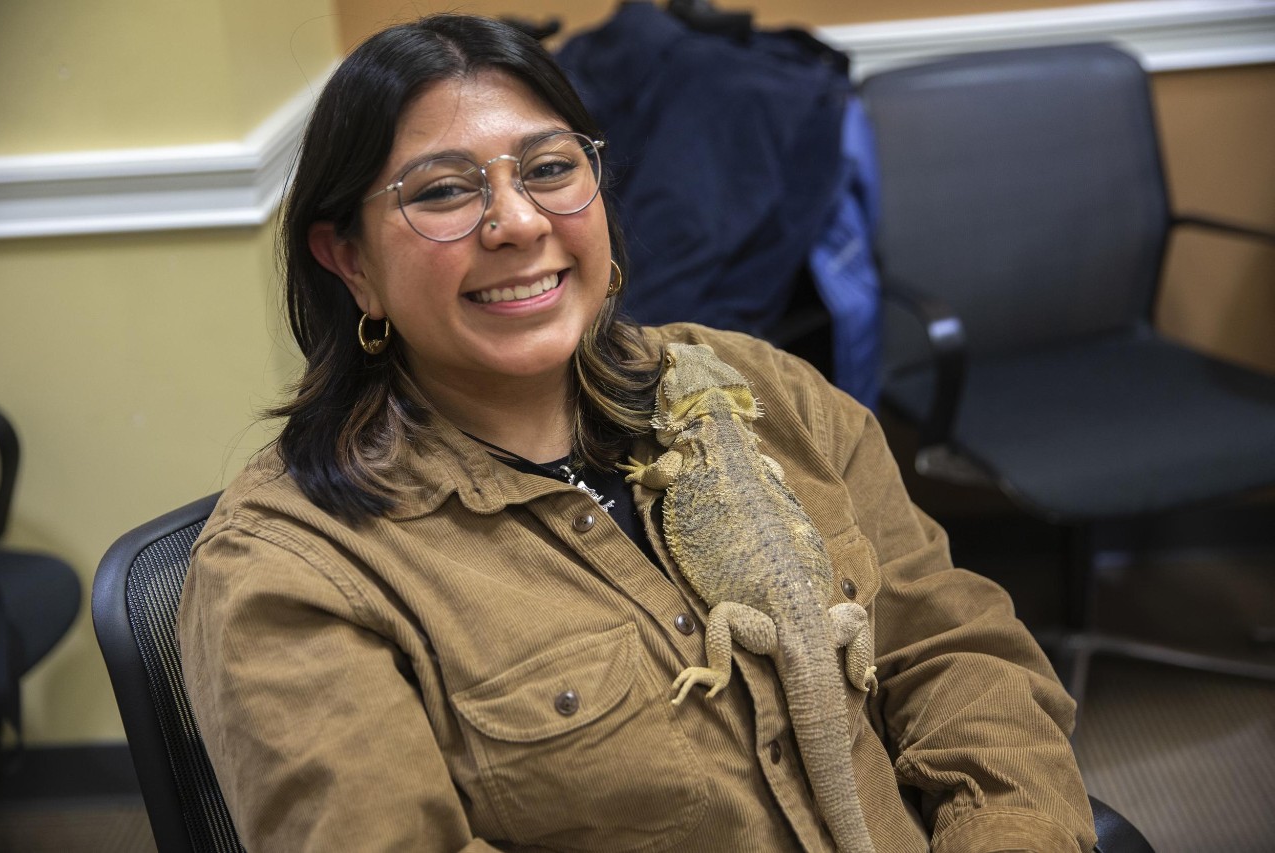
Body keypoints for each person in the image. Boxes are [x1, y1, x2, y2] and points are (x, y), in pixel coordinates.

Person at [178, 14, 1098, 853]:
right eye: (446, 191)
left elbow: (955, 650)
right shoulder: (290, 571)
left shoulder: (759, 389)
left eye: (549, 169)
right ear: (350, 262)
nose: (520, 222)